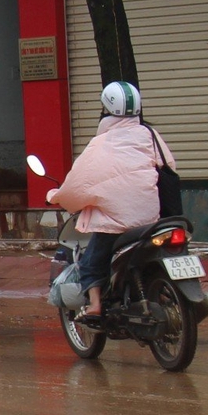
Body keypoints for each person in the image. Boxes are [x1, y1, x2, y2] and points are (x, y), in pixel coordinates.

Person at [47, 81, 175, 325]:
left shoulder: (100, 144)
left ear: (105, 109)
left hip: (118, 224)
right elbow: (169, 166)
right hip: (151, 219)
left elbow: (76, 186)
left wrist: (56, 196)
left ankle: (95, 304)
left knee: (91, 259)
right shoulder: (150, 135)